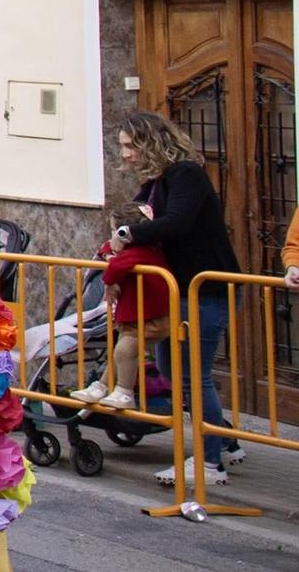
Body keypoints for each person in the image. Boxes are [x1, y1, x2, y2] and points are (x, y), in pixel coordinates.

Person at [113, 111, 243, 488]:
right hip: (176, 291)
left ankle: (209, 462)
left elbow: (177, 222)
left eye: (128, 146)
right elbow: (136, 221)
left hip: (205, 290)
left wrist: (128, 233)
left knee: (193, 377)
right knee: (172, 372)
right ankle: (226, 440)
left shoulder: (187, 175)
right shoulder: (156, 182)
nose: (124, 155)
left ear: (148, 142)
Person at [75, 204, 172, 411]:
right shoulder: (131, 249)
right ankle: (102, 385)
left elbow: (116, 268)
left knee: (124, 351)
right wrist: (110, 252)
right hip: (136, 316)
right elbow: (105, 249)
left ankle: (124, 391)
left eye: (115, 231)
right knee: (119, 354)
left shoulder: (142, 251)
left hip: (150, 318)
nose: (113, 236)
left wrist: (110, 278)